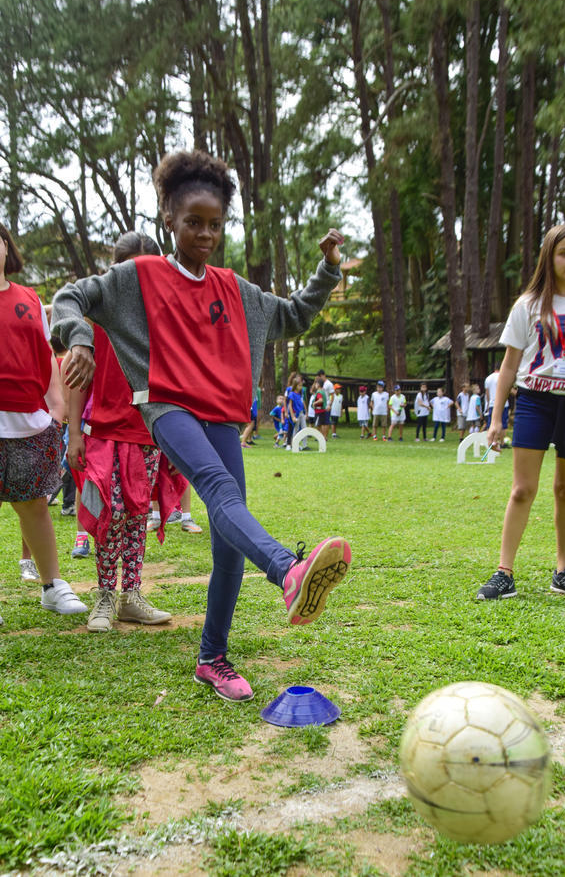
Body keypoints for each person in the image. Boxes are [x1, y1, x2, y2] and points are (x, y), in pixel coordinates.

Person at [52, 148, 351, 701]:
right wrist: (78, 338)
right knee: (217, 492)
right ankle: (289, 571)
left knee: (227, 544)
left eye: (215, 224)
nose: (206, 234)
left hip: (220, 416)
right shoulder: (136, 277)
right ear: (169, 217)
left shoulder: (234, 289)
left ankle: (212, 658)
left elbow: (292, 315)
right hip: (167, 408)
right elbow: (71, 297)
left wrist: (327, 270)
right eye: (194, 222)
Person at [67, 231, 185, 633]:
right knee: (107, 514)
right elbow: (77, 380)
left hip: (147, 433)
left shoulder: (165, 319)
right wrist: (74, 434)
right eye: (128, 269)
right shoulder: (96, 314)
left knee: (136, 515)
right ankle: (103, 595)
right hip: (102, 432)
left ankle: (131, 595)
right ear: (115, 271)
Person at [477, 222, 565, 602]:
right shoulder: (528, 305)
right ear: (550, 257)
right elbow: (509, 368)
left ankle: (563, 571)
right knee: (522, 490)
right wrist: (496, 419)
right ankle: (504, 573)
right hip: (535, 402)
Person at [0, 222, 87, 622]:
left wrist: (57, 410)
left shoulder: (29, 298)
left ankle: (52, 586)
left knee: (34, 504)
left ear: (7, 249)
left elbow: (43, 355)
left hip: (29, 418)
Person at [484, 362, 510, 443]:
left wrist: (488, 403)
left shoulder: (488, 378)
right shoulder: (502, 377)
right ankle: (502, 442)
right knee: (503, 423)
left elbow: (487, 393)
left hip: (492, 403)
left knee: (490, 423)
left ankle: (489, 441)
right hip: (503, 404)